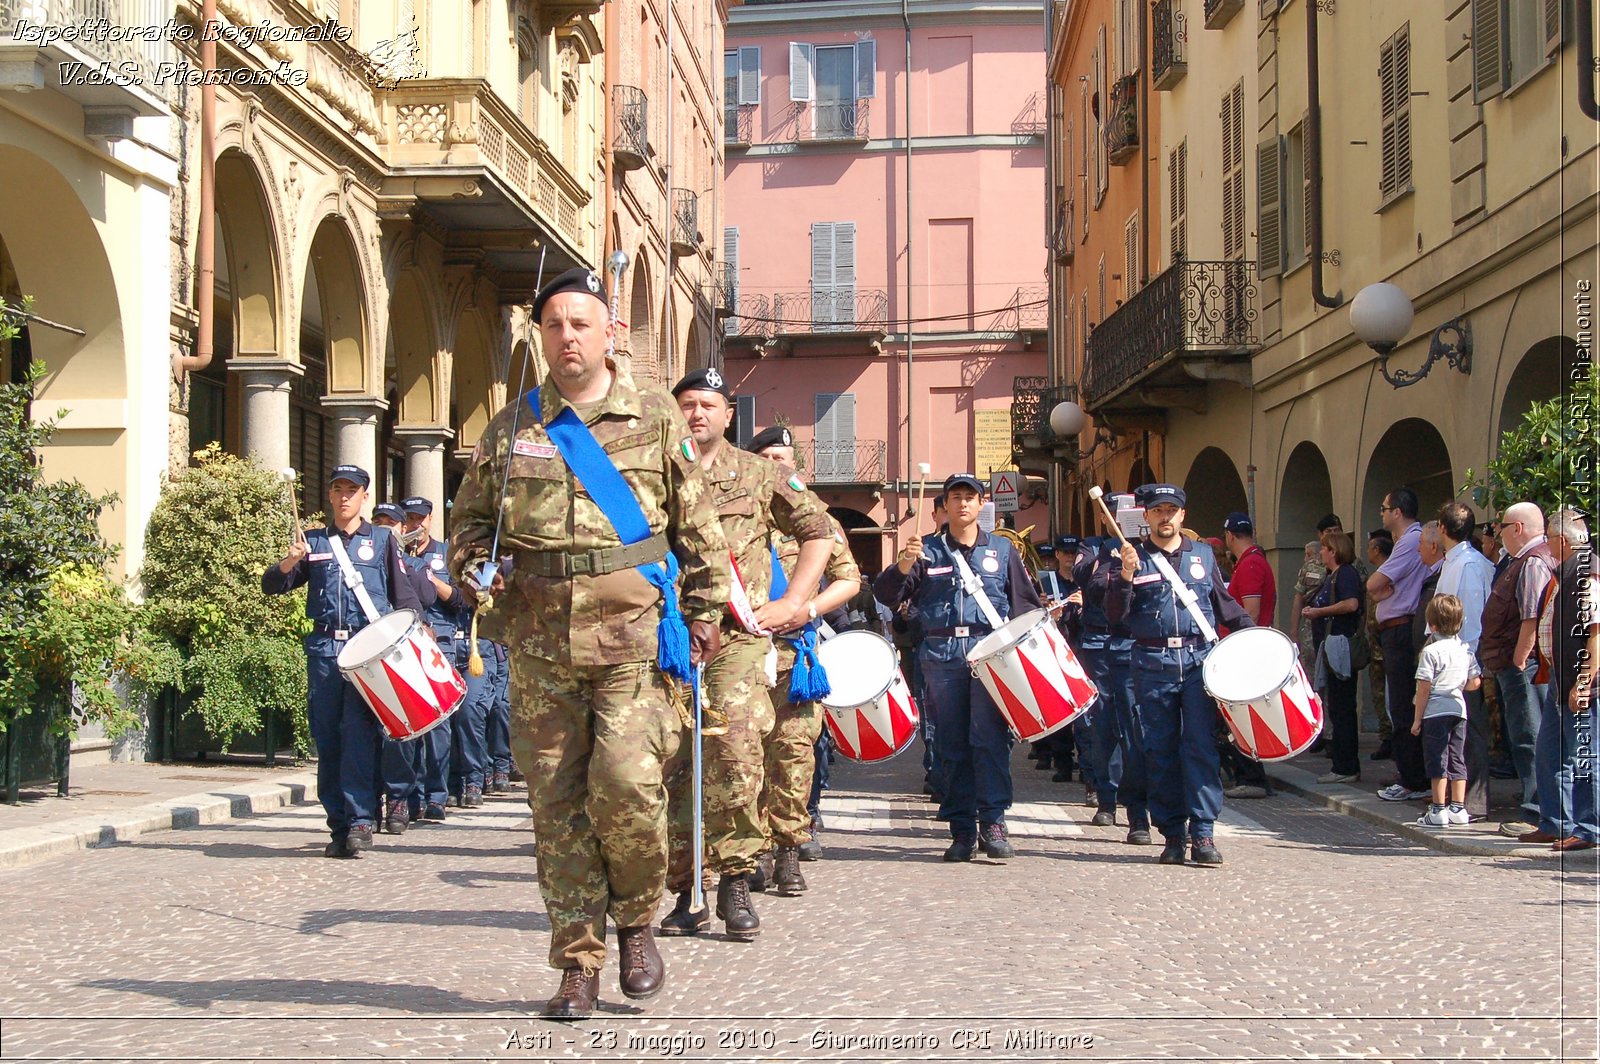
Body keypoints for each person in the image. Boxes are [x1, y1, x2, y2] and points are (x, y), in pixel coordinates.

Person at [447, 266, 730, 1019]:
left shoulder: (654, 420)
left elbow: (696, 522)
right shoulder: (512, 427)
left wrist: (705, 610)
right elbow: (469, 526)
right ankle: (577, 962)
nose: (567, 337)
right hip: (540, 643)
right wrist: (477, 567)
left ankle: (636, 920)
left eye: (581, 324)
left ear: (610, 335)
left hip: (633, 638)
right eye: (554, 326)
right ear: (541, 337)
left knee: (628, 787)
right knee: (558, 807)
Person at [662, 369, 834, 941]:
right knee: (671, 761)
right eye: (686, 404)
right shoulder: (653, 471)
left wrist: (795, 601)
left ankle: (736, 878)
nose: (697, 414)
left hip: (737, 634)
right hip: (668, 635)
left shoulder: (760, 475)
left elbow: (819, 532)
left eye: (708, 405)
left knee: (736, 747)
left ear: (728, 414)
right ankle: (686, 885)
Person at [875, 473, 1042, 861]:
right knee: (950, 744)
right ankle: (962, 829)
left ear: (982, 504)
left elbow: (1026, 607)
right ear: (945, 506)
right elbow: (886, 595)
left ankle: (994, 821)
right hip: (941, 654)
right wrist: (902, 564)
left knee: (991, 741)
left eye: (970, 497)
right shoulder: (925, 551)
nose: (963, 504)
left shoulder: (1002, 551)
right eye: (956, 497)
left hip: (990, 655)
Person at [262, 465, 424, 858]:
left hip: (368, 654)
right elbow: (272, 585)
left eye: (352, 490)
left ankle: (362, 820)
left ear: (364, 496)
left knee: (361, 737)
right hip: (324, 652)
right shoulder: (313, 541)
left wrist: (416, 644)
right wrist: (289, 561)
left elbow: (404, 598)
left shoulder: (383, 540)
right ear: (330, 496)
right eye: (338, 490)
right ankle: (339, 824)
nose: (345, 497)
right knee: (329, 740)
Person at [1106, 484, 1255, 867]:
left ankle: (1203, 833)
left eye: (1172, 510)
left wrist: (1256, 639)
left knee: (1201, 747)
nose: (1165, 517)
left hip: (1198, 663)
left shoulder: (1203, 556)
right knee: (1160, 751)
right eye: (1158, 511)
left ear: (1182, 516)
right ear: (1147, 517)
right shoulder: (1132, 558)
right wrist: (1124, 576)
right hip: (1152, 663)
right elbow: (1114, 616)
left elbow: (1226, 606)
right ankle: (1172, 834)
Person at [746, 424, 861, 893]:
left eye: (784, 456)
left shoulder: (820, 523)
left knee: (794, 756)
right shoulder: (739, 516)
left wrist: (806, 608)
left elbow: (849, 580)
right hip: (746, 655)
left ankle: (788, 849)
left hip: (797, 657)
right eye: (768, 456)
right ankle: (747, 853)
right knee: (743, 758)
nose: (778, 464)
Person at [1481, 502, 1556, 834]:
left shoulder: (1532, 562)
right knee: (1527, 735)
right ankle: (1538, 804)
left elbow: (1531, 618)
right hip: (1520, 665)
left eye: (1502, 527)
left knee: (1529, 736)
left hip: (1524, 667)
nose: (1499, 534)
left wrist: (1519, 660)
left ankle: (1537, 810)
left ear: (1518, 528)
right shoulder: (1523, 561)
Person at [1528, 509, 1598, 851]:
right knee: (1550, 752)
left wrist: (1585, 681)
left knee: (1585, 753)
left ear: (1561, 540)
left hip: (1579, 679)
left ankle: (1587, 829)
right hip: (1561, 676)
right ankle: (1555, 821)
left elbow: (1596, 634)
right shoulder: (1568, 571)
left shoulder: (1586, 573)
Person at [1074, 534, 1149, 843]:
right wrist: (1115, 563)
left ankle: (1141, 807)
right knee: (1103, 725)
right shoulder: (1093, 548)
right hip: (1099, 646)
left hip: (1137, 644)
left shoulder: (1150, 550)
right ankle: (1106, 796)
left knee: (1137, 728)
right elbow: (1089, 585)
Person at [371, 502, 437, 832]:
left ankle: (400, 799)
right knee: (361, 733)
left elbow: (423, 596)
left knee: (400, 729)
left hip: (397, 649)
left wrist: (401, 561)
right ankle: (366, 807)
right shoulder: (359, 553)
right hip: (365, 649)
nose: (383, 527)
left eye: (390, 523)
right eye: (378, 521)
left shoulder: (410, 562)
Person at [1368, 488, 1430, 802]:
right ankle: (1411, 773)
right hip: (1398, 628)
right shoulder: (1404, 542)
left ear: (1397, 512)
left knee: (1403, 705)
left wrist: (1385, 587)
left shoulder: (1409, 540)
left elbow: (1374, 584)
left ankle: (1413, 779)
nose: (1381, 513)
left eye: (1384, 508)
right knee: (1402, 704)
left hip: (1402, 629)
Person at [1435, 502, 1496, 819]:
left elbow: (1471, 621)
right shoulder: (1454, 561)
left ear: (1443, 528)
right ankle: (1457, 797)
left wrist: (1467, 667)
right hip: (1451, 658)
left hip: (1463, 661)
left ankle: (1473, 801)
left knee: (1470, 730)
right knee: (1456, 729)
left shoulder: (1469, 565)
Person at [1410, 594, 1481, 828]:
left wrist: (1417, 719)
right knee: (1457, 757)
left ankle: (1438, 809)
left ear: (1432, 624)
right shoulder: (1465, 650)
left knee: (1437, 759)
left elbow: (1424, 687)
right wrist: (1458, 686)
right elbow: (1475, 683)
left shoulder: (1430, 652)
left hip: (1435, 711)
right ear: (1459, 623)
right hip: (1458, 710)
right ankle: (1459, 808)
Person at [1221, 512, 1277, 799]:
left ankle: (1252, 777)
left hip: (1244, 651)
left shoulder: (1251, 564)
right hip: (1243, 648)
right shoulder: (1250, 562)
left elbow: (1251, 613)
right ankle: (1247, 774)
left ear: (1230, 536)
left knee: (1241, 716)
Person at [1303, 531, 1365, 784]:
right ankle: (1342, 764)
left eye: (1326, 549)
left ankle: (1346, 766)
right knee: (1337, 706)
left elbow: (1351, 604)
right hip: (1330, 646)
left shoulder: (1346, 573)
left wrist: (1319, 612)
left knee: (1342, 706)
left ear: (1335, 550)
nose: (1322, 553)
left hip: (1340, 646)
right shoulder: (1334, 575)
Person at [1365, 531, 1395, 759]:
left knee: (1388, 695)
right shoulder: (1377, 574)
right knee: (1379, 694)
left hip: (1386, 645)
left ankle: (1391, 737)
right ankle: (1387, 736)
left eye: (1370, 547)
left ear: (1377, 550)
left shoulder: (1389, 574)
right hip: (1375, 645)